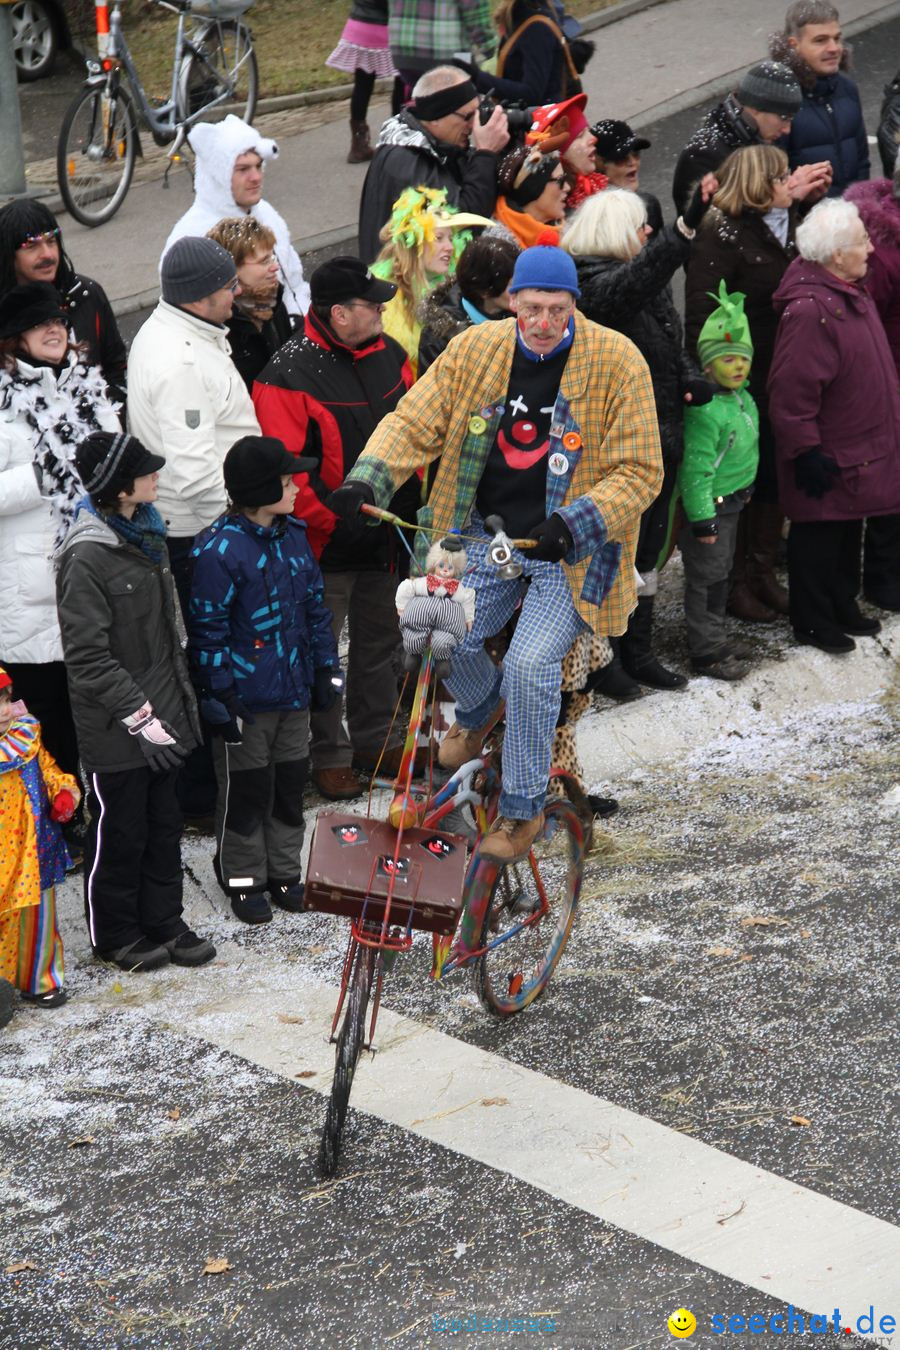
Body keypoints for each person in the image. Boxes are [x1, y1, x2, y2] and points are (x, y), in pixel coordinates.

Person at [328, 242, 662, 862]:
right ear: (511, 301)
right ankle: (481, 712)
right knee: (429, 621)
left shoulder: (618, 361)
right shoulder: (475, 350)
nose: (541, 323)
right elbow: (413, 421)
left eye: (556, 310)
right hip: (485, 536)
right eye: (531, 308)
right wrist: (366, 478)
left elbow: (642, 470)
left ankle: (523, 812)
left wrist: (576, 519)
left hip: (572, 552)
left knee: (533, 668)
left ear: (573, 305)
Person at [252, 257, 414, 802]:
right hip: (325, 545)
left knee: (380, 643)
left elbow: (416, 429)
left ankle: (377, 739)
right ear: (340, 314)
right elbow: (289, 472)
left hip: (387, 536)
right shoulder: (286, 375)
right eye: (373, 304)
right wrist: (334, 521)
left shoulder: (391, 354)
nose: (383, 310)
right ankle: (329, 753)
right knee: (323, 653)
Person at [56, 431, 216, 973]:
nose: (157, 477)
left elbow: (167, 640)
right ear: (120, 488)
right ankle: (116, 932)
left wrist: (175, 713)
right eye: (147, 471)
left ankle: (164, 919)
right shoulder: (86, 556)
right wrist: (139, 717)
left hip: (165, 714)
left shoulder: (147, 534)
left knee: (163, 825)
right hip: (118, 727)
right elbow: (87, 658)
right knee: (120, 832)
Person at [563, 177, 717, 694]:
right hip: (618, 451)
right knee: (613, 555)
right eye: (640, 227)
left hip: (661, 439)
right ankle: (604, 663)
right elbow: (638, 281)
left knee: (647, 553)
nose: (647, 233)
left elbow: (672, 340)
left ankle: (639, 650)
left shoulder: (641, 285)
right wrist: (683, 228)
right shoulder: (593, 287)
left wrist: (690, 375)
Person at [189, 437, 341, 925]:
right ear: (259, 489)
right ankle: (242, 877)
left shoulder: (293, 535)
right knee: (247, 788)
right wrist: (219, 694)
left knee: (289, 783)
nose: (298, 486)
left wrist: (324, 669)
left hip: (294, 691)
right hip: (247, 701)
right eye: (287, 479)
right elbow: (207, 631)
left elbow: (316, 610)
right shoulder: (219, 550)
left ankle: (283, 872)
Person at [0, 282, 121, 795]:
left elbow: (118, 458)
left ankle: (98, 803)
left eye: (58, 321)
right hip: (30, 590)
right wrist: (46, 474)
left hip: (92, 573)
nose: (54, 329)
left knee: (95, 701)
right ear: (12, 339)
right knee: (45, 715)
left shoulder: (86, 388)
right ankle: (53, 819)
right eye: (38, 323)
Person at [768, 198, 900, 651]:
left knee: (846, 529)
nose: (871, 250)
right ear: (836, 254)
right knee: (819, 535)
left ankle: (841, 603)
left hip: (858, 447)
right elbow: (791, 390)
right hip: (828, 451)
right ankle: (813, 620)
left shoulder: (846, 291)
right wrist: (805, 450)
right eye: (862, 242)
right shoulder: (811, 310)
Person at [684, 144, 799, 624]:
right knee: (739, 479)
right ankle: (731, 583)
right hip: (741, 381)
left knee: (769, 472)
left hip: (775, 371)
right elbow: (702, 317)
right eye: (781, 176)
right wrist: (723, 380)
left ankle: (759, 572)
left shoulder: (772, 225)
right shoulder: (722, 236)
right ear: (758, 183)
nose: (789, 182)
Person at [127, 237, 261, 618]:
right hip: (207, 531)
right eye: (229, 286)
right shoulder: (180, 362)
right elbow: (196, 474)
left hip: (207, 527)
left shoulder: (175, 330)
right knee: (229, 645)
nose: (237, 293)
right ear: (200, 296)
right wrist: (246, 534)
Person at [677, 283, 759, 681]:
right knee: (707, 577)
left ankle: (715, 636)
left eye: (743, 358)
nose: (738, 366)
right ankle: (705, 650)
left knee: (721, 572)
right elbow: (696, 469)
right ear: (707, 367)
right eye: (727, 359)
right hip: (713, 507)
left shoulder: (741, 396)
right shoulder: (707, 411)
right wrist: (703, 519)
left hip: (735, 501)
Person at [160, 115, 310, 318]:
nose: (256, 177)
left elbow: (294, 283)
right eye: (243, 169)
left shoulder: (265, 212)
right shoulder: (193, 236)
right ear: (218, 175)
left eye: (258, 166)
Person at [358, 66, 509, 264]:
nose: (474, 125)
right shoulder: (408, 161)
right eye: (468, 116)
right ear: (436, 117)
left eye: (478, 112)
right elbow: (464, 221)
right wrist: (486, 153)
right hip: (407, 287)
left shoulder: (432, 145)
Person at [0, 664, 79, 1009]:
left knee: (39, 918)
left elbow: (50, 771)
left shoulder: (26, 736)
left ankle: (40, 979)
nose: (5, 710)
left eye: (6, 699)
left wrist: (64, 792)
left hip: (35, 849)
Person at [0, 198, 127, 402]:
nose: (47, 254)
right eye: (31, 246)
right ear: (8, 255)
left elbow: (116, 368)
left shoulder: (86, 294)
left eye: (51, 241)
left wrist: (110, 421)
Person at [672, 61, 831, 216]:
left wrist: (803, 202)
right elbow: (716, 232)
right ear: (755, 107)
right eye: (783, 117)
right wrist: (791, 195)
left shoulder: (764, 139)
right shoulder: (703, 155)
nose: (787, 129)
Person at [845, 165, 900, 612]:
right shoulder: (883, 251)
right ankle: (883, 578)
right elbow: (869, 321)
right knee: (892, 487)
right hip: (892, 383)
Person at [371, 186, 491, 375]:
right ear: (413, 242)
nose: (450, 247)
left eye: (451, 238)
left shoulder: (452, 287)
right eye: (439, 238)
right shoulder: (384, 295)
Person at [769, 1, 868, 197]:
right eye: (821, 40)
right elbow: (772, 181)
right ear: (794, 45)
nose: (834, 48)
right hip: (806, 223)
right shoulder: (777, 98)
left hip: (851, 217)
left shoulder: (847, 89)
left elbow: (862, 161)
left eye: (837, 38)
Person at [206, 217, 293, 392]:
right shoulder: (218, 329)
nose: (275, 266)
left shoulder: (273, 304)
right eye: (264, 261)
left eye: (272, 257)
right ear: (233, 269)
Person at [418, 233, 518, 376]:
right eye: (512, 286)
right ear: (485, 291)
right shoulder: (440, 336)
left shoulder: (521, 317)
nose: (521, 292)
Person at [459, 0, 589, 106]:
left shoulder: (536, 27)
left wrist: (478, 77)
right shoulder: (518, 16)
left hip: (543, 130)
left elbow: (531, 93)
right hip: (530, 124)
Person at [326, 0, 404, 163]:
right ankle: (397, 140)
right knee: (402, 81)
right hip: (385, 28)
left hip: (358, 25)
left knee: (362, 85)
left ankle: (358, 145)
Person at [524, 95, 607, 214]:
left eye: (588, 131)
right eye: (580, 136)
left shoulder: (602, 182)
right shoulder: (557, 210)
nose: (593, 139)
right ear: (558, 154)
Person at [387, 0, 495, 86]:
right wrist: (489, 48)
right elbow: (476, 13)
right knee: (457, 106)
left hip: (402, 52)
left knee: (425, 102)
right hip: (450, 56)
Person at [492, 147, 570, 248]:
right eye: (560, 180)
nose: (567, 187)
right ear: (534, 188)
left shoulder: (570, 242)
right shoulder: (497, 249)